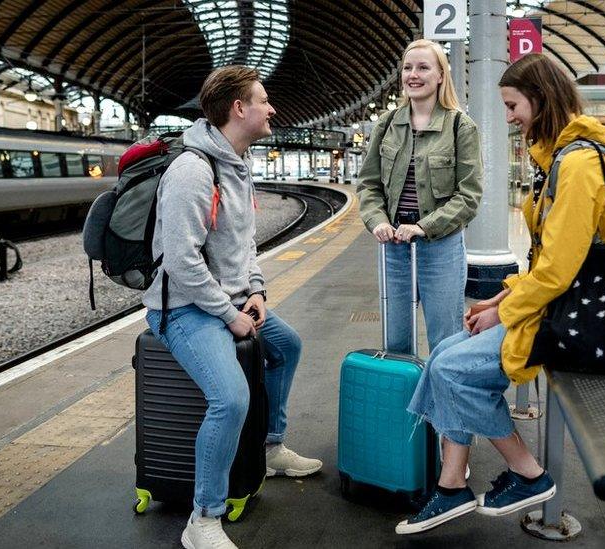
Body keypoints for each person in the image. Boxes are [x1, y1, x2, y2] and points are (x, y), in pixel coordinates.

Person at [395, 53, 605, 535]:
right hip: (561, 304)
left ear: (541, 100)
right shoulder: (562, 159)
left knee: (454, 369)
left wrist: (504, 316)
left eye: (513, 104)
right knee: (443, 351)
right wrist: (499, 301)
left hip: (581, 319)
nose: (510, 117)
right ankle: (452, 483)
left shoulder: (580, 165)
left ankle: (528, 473)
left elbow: (560, 272)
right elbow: (553, 264)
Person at [142, 66, 322, 549]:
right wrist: (229, 314)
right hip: (182, 309)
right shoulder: (192, 171)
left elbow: (244, 246)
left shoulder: (238, 164)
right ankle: (203, 519)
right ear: (239, 109)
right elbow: (179, 262)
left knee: (286, 346)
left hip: (231, 299)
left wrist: (257, 291)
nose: (272, 109)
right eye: (264, 101)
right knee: (232, 398)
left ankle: (272, 447)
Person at [357, 39, 482, 354]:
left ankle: (440, 404)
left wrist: (426, 226)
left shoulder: (460, 127)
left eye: (423, 67)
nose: (413, 74)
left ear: (441, 75)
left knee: (445, 340)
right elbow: (369, 184)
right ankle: (403, 403)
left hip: (441, 249)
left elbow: (469, 195)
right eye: (408, 68)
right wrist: (377, 221)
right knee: (396, 341)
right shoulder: (386, 125)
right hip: (394, 249)